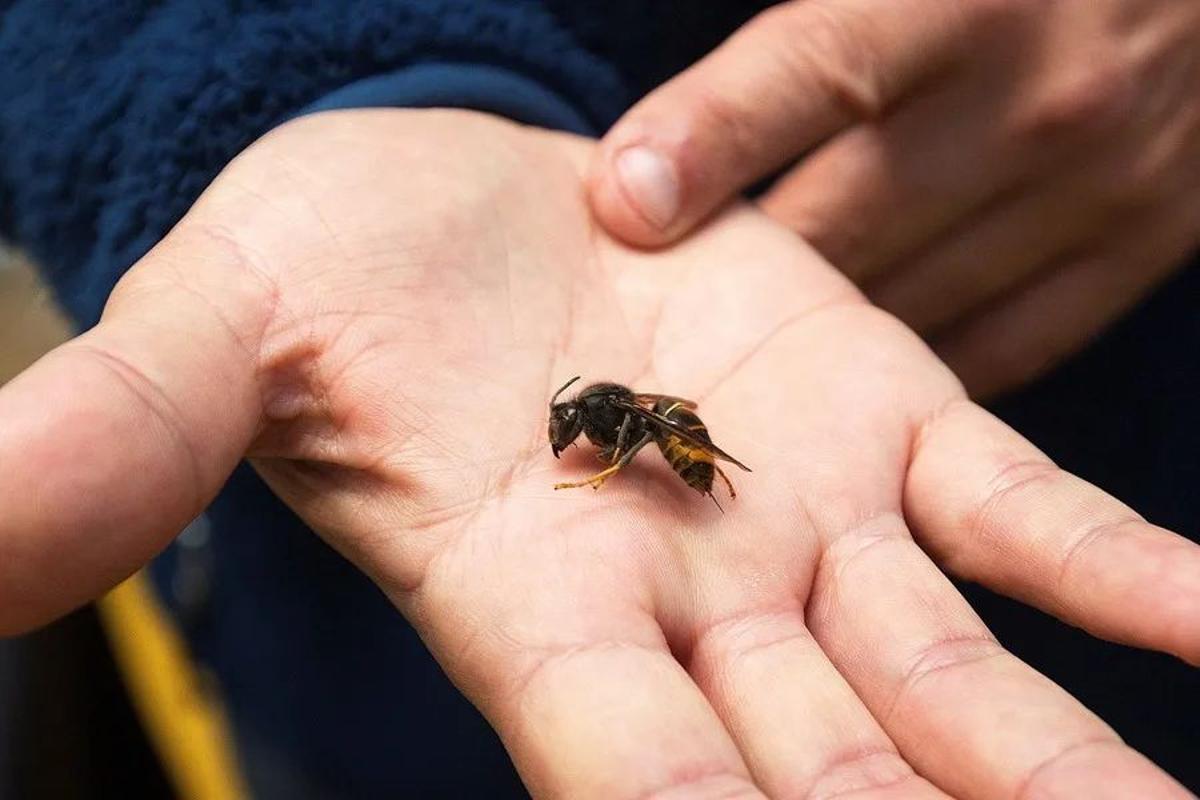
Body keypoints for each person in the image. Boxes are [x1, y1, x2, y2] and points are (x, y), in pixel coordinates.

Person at [0, 3, 1195, 798]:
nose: (578, 438)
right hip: (355, 677)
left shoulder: (636, 428)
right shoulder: (586, 417)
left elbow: (650, 428)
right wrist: (304, 84)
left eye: (581, 433)